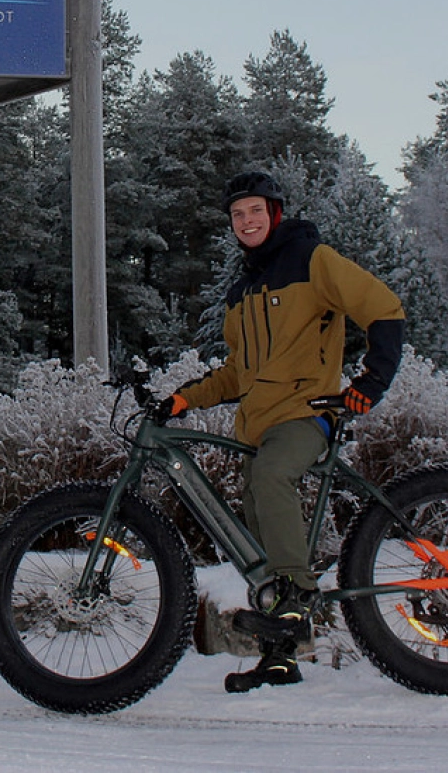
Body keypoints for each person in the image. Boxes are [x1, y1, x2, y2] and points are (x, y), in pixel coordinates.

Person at [158, 170, 404, 692]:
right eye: (237, 214)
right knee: (259, 531)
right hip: (258, 426)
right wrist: (184, 398)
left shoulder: (312, 259)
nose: (246, 221)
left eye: (255, 211)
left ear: (275, 213)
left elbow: (382, 306)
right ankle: (281, 654)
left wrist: (372, 379)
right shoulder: (241, 290)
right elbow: (237, 373)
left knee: (270, 478)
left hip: (306, 413)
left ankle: (294, 603)